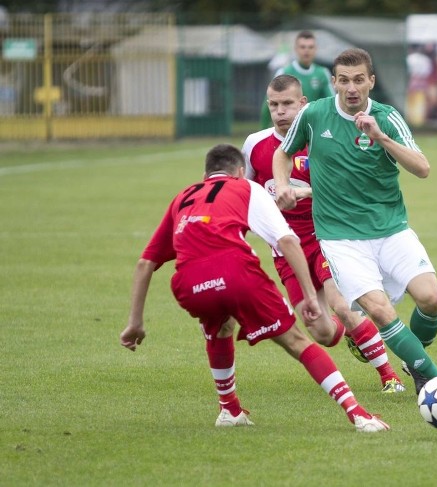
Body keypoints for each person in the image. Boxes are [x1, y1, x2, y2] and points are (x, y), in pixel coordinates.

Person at [119, 143, 389, 433]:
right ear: (239, 171)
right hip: (236, 273)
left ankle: (229, 410)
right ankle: (358, 414)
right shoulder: (246, 187)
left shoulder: (182, 197)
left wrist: (135, 322)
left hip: (187, 284)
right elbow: (286, 241)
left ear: (205, 174)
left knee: (221, 328)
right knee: (297, 342)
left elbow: (145, 263)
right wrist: (310, 296)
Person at [273, 48, 437, 395]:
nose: (351, 88)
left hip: (391, 227)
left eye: (358, 80)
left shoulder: (388, 116)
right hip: (340, 238)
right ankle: (435, 381)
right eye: (344, 80)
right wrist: (281, 185)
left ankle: (413, 357)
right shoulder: (314, 114)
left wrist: (380, 136)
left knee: (431, 299)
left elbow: (422, 168)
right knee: (379, 310)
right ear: (334, 82)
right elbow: (283, 152)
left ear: (371, 81)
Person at [243, 74, 405, 393]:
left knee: (343, 305)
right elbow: (245, 191)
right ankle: (353, 334)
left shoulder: (318, 137)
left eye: (288, 104)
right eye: (274, 105)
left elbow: (346, 187)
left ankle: (390, 376)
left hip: (326, 238)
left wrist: (304, 193)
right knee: (320, 330)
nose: (280, 111)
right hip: (286, 251)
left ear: (302, 104)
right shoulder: (254, 144)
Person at [259, 30, 334, 129]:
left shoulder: (322, 73)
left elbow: (332, 102)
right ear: (296, 49)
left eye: (310, 47)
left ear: (316, 49)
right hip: (289, 128)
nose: (306, 50)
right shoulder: (284, 72)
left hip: (314, 127)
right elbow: (268, 104)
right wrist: (263, 131)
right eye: (303, 47)